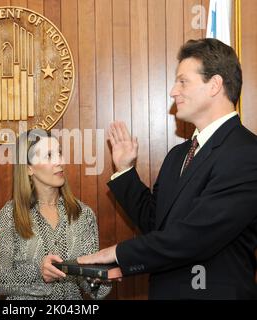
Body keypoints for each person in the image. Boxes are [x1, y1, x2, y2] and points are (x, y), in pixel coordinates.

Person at [78, 38, 257, 299]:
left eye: (183, 81)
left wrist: (117, 253)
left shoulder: (247, 153)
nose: (173, 91)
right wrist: (126, 170)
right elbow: (157, 225)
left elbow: (195, 237)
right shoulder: (178, 155)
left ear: (215, 85)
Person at [0, 130, 111, 299]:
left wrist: (103, 278)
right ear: (29, 168)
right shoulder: (10, 215)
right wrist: (38, 272)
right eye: (49, 155)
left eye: (59, 153)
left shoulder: (83, 214)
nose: (60, 161)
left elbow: (93, 289)